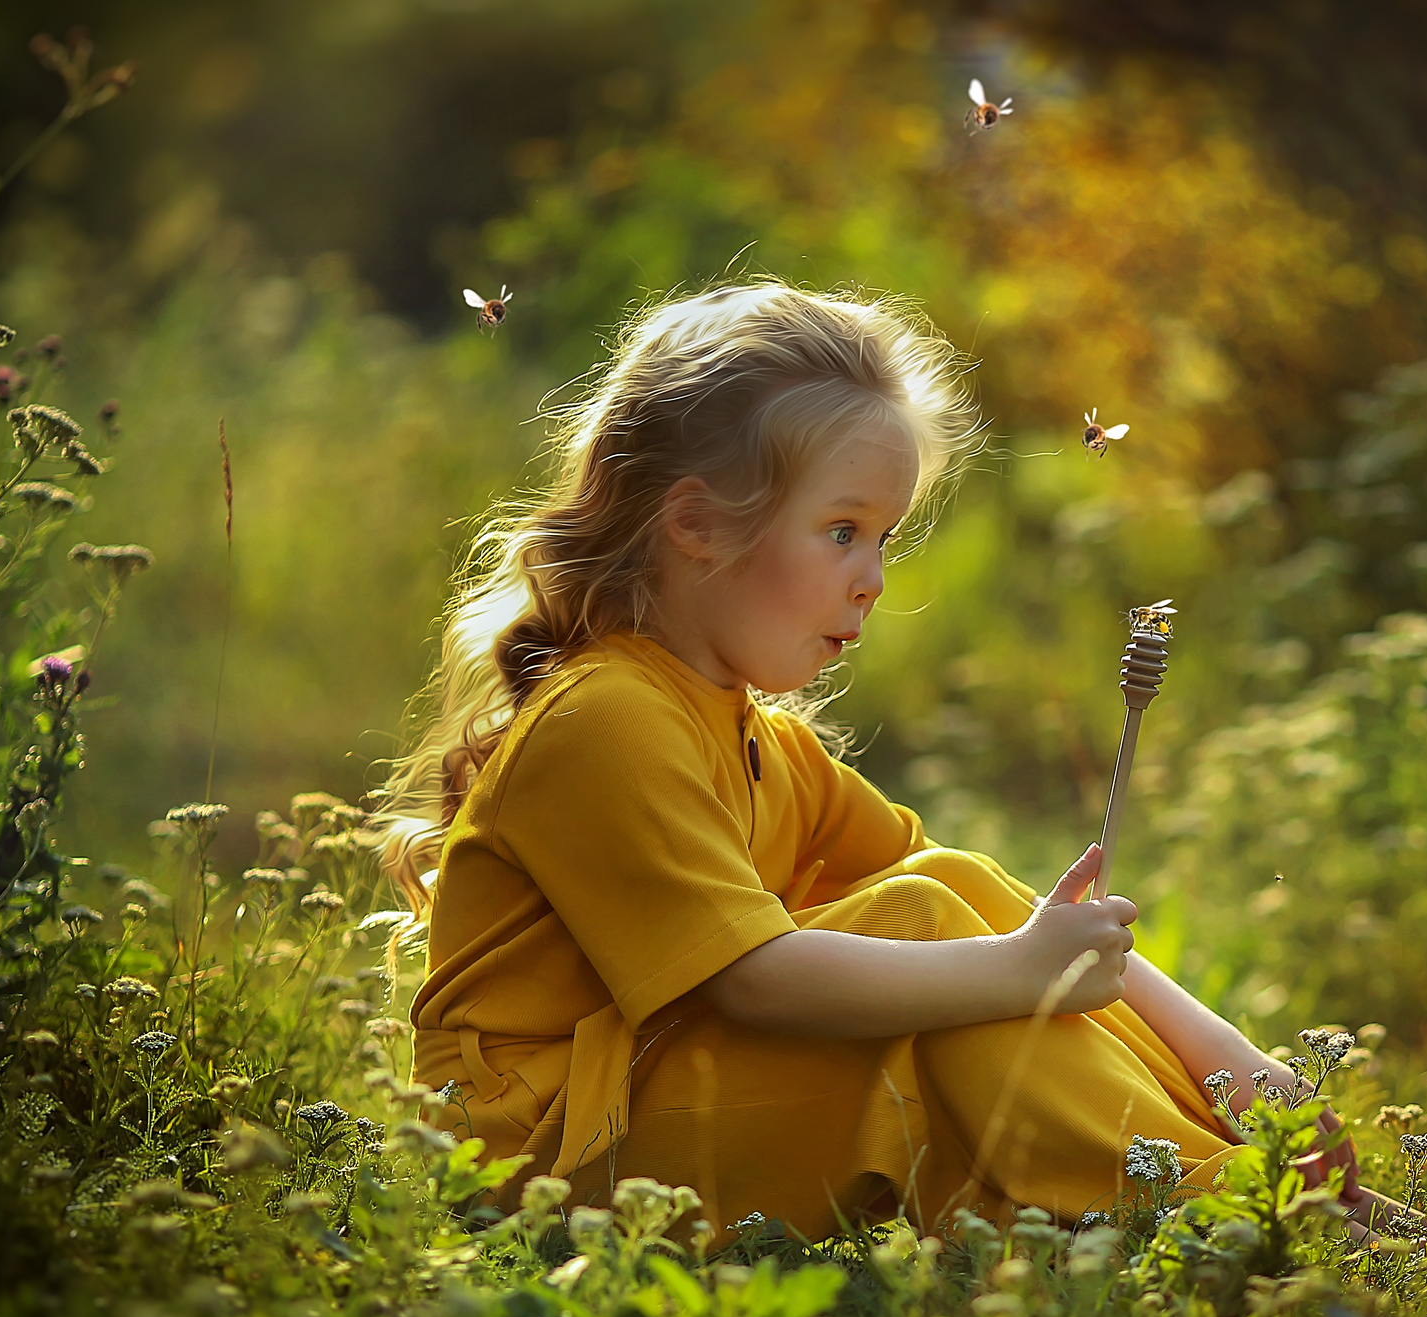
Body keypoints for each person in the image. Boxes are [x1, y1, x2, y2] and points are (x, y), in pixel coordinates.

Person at [378, 279, 1376, 1237]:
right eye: (842, 531)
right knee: (931, 928)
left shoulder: (757, 736)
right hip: (540, 1154)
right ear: (695, 525)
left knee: (944, 890)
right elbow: (756, 983)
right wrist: (1012, 969)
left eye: (884, 538)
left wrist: (1227, 1058)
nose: (873, 580)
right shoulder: (607, 717)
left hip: (647, 1103)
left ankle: (1232, 1171)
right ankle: (1231, 1209)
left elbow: (970, 890)